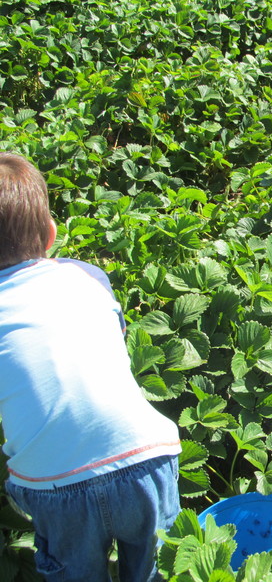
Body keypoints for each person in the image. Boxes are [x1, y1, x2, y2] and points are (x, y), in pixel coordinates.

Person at [0, 153, 182, 581]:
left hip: (55, 487)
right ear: (50, 234)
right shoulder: (87, 277)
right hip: (148, 457)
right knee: (160, 570)